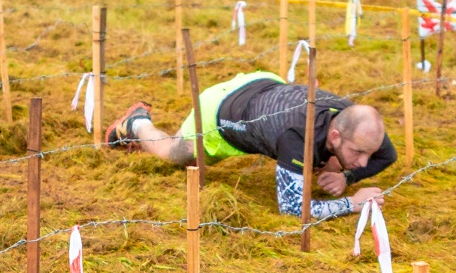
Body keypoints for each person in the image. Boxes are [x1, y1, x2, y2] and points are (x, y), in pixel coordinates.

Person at [106, 70, 396, 220]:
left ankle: (334, 161)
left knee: (336, 161)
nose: (364, 161)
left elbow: (388, 155)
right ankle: (137, 124)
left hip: (265, 85)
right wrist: (352, 204)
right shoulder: (294, 136)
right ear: (335, 136)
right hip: (219, 113)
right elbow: (293, 208)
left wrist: (347, 176)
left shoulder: (355, 123)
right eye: (359, 153)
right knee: (175, 155)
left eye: (367, 152)